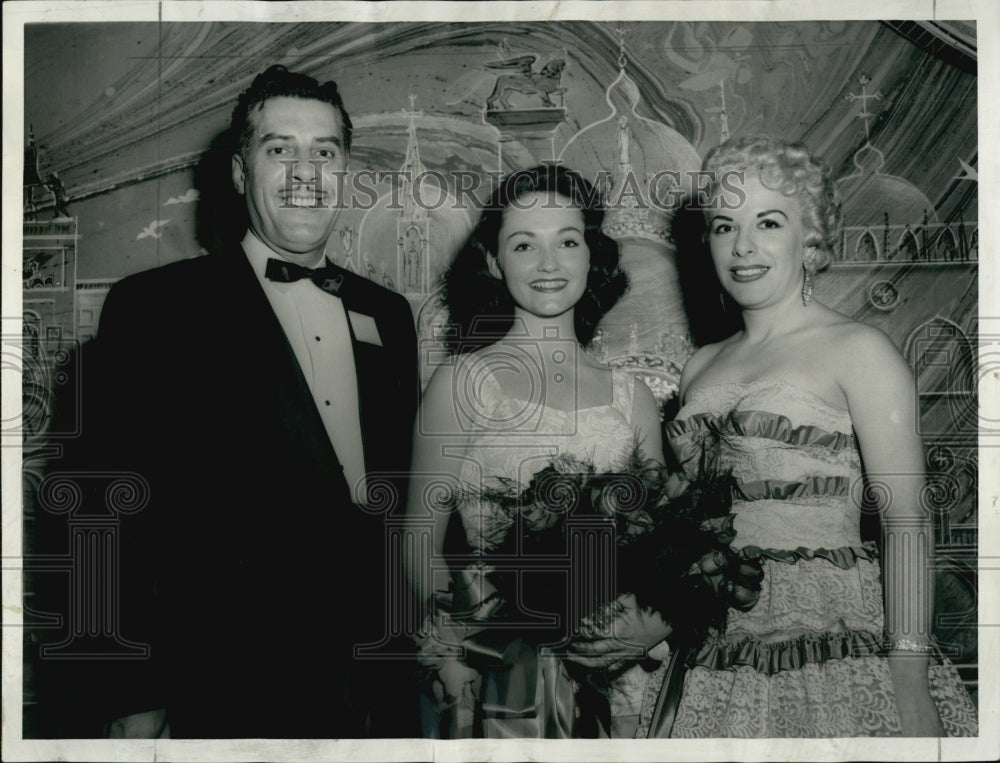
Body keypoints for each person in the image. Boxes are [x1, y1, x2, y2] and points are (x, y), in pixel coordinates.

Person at [33, 65, 420, 738]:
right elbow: (102, 516)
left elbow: (398, 505)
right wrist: (131, 693)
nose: (306, 171)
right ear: (241, 172)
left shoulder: (388, 313)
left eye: (324, 151)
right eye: (280, 149)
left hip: (376, 687)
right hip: (222, 687)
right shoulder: (157, 309)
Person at [662, 135, 978, 736]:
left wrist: (908, 681)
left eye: (769, 222)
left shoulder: (859, 351)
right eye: (725, 226)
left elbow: (906, 524)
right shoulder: (699, 367)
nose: (744, 246)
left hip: (835, 641)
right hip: (718, 647)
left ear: (810, 238)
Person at [404, 165, 670, 738]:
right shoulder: (461, 381)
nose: (548, 264)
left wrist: (646, 629)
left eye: (567, 241)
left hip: (622, 676)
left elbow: (666, 551)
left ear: (590, 255)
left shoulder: (634, 398)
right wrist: (453, 650)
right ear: (495, 262)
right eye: (524, 244)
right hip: (498, 672)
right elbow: (418, 538)